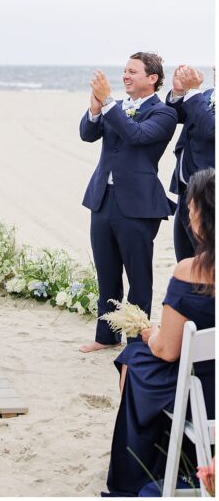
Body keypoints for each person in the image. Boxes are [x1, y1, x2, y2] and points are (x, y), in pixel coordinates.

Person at [104, 168, 215, 497]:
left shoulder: (192, 270)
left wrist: (148, 330)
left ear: (201, 214)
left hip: (202, 394)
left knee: (135, 356)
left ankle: (143, 463)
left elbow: (167, 350)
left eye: (191, 206)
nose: (188, 212)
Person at [80, 53, 177, 353]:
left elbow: (135, 135)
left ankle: (136, 340)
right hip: (103, 199)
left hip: (137, 205)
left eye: (132, 71)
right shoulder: (116, 107)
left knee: (138, 276)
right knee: (106, 271)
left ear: (152, 78)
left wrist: (108, 104)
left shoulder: (164, 114)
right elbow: (87, 134)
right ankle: (106, 336)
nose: (125, 76)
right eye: (124, 71)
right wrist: (95, 109)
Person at [166, 64, 215, 260]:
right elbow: (178, 116)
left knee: (207, 261)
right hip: (186, 189)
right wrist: (179, 92)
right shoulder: (209, 94)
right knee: (185, 259)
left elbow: (212, 130)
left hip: (209, 195)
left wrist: (193, 91)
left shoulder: (200, 95)